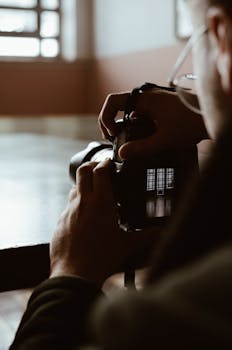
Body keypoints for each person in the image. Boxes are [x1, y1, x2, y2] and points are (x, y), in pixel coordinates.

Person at [10, 0, 232, 348]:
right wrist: (209, 113)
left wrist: (71, 273)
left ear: (222, 38)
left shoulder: (170, 318)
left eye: (195, 41)